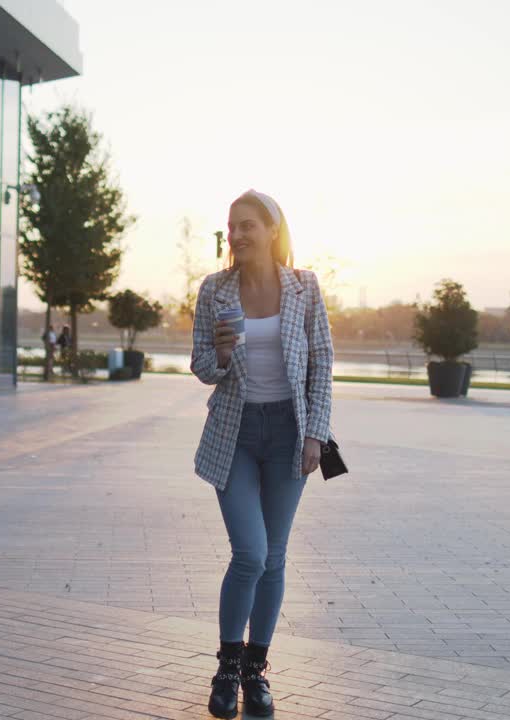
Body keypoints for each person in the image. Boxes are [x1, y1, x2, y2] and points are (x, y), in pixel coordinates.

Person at [190, 189, 333, 718]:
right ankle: (226, 669)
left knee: (274, 557)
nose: (238, 234)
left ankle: (256, 671)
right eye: (232, 226)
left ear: (274, 230)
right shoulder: (214, 289)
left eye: (248, 224)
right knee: (250, 553)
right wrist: (223, 352)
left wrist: (316, 434)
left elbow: (322, 363)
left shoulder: (305, 288)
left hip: (290, 437)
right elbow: (202, 364)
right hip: (235, 434)